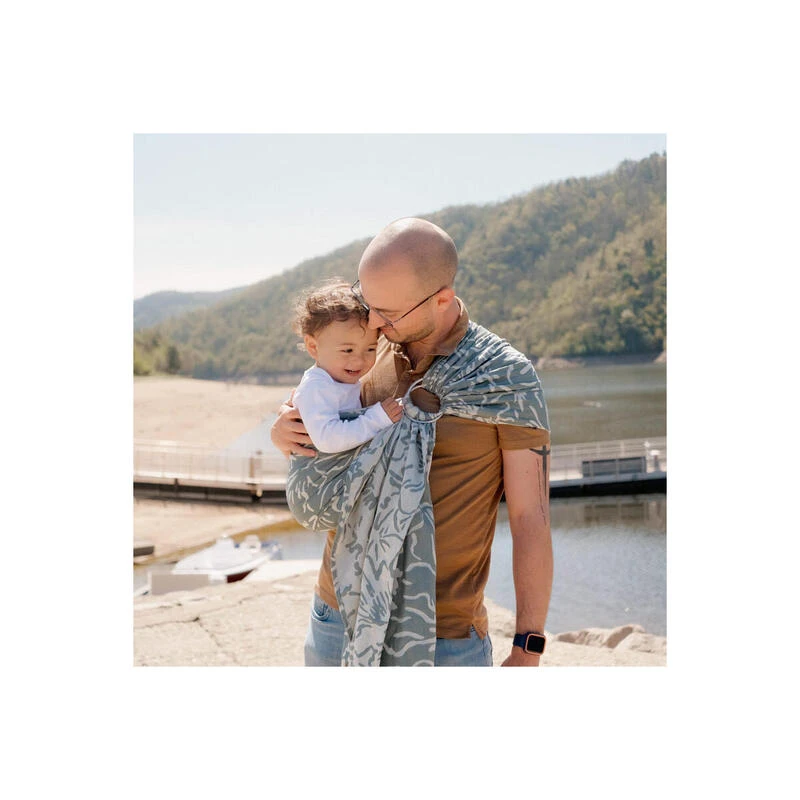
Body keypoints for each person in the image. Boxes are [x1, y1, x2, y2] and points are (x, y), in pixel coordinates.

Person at [272, 217, 552, 667]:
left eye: (387, 312)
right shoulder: (365, 346)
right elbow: (318, 410)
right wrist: (284, 429)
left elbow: (530, 517)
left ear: (441, 299)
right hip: (338, 612)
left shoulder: (504, 379)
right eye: (368, 302)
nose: (372, 322)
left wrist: (528, 645)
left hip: (445, 634)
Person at [291, 280, 403, 453]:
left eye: (370, 349)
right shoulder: (316, 387)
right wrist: (377, 418)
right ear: (313, 347)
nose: (359, 361)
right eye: (347, 350)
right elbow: (328, 440)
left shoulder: (339, 382)